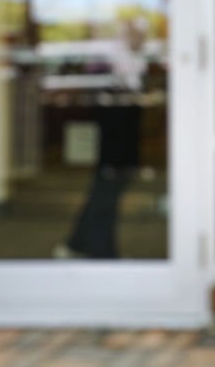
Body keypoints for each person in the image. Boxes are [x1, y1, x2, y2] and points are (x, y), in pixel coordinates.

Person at [55, 18, 147, 259]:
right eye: (136, 35)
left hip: (123, 142)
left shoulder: (133, 63)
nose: (141, 40)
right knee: (105, 193)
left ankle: (77, 244)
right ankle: (101, 251)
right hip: (113, 142)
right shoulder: (106, 64)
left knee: (105, 192)